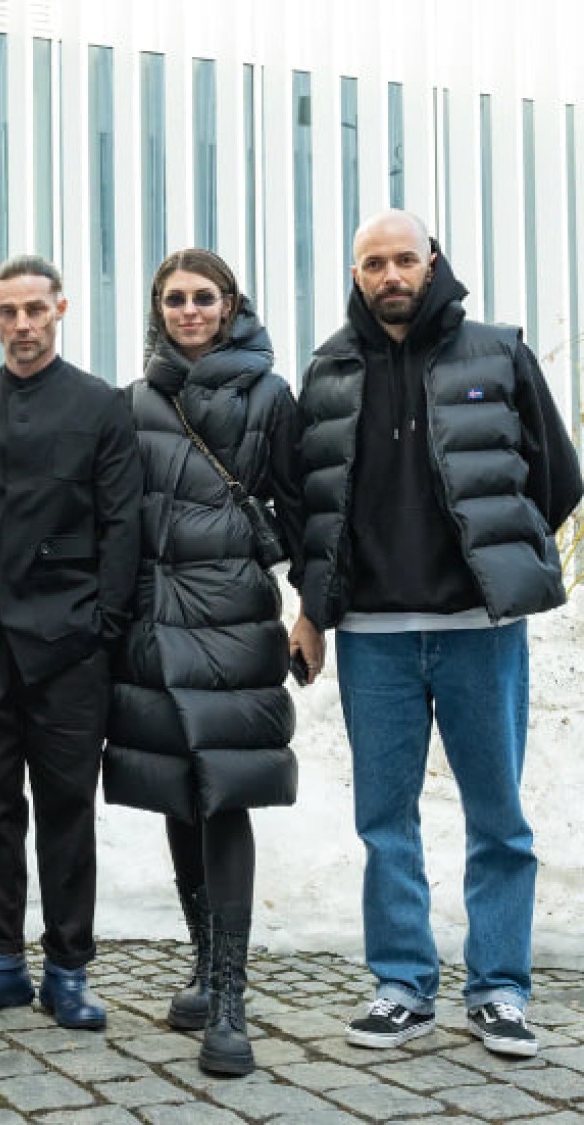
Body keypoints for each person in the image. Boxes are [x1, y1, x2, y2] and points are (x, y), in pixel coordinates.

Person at [290, 210, 582, 1059]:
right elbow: (313, 505)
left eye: (403, 259)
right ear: (356, 273)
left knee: (499, 818)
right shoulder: (330, 369)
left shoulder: (498, 352)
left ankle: (499, 990)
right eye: (373, 263)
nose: (390, 274)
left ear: (433, 262)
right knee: (385, 820)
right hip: (372, 633)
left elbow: (558, 477)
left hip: (476, 629)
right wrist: (313, 610)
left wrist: (496, 560)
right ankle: (402, 986)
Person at [103, 249, 303, 1076]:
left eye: (204, 297)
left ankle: (229, 995)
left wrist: (312, 612)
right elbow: (115, 515)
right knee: (178, 794)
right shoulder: (134, 400)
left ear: (230, 304)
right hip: (153, 620)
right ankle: (201, 958)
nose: (189, 310)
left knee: (224, 795)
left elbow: (304, 509)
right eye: (174, 298)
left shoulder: (271, 395)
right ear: (158, 308)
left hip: (229, 620)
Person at [0, 255, 141, 1031]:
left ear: (61, 310)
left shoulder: (102, 405)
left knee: (66, 810)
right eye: (9, 311)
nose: (23, 324)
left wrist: (102, 628)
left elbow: (123, 525)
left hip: (70, 643)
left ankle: (68, 969)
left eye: (35, 309)